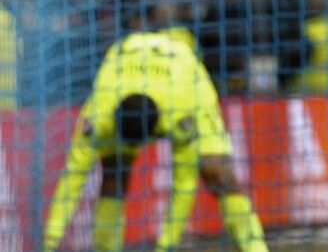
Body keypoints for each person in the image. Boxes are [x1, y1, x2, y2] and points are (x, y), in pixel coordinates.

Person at [43, 30, 268, 252]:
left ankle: (255, 247)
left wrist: (165, 247)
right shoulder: (98, 114)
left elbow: (184, 183)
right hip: (125, 55)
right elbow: (73, 177)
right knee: (114, 171)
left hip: (182, 69)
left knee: (216, 172)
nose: (135, 149)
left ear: (158, 129)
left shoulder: (181, 110)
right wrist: (49, 242)